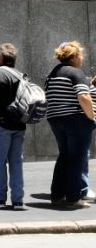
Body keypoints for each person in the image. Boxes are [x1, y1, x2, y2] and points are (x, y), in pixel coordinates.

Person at [45, 41, 95, 208]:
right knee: (77, 159)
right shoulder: (76, 72)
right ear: (73, 57)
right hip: (76, 120)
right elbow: (83, 97)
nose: (82, 58)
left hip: (55, 119)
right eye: (80, 55)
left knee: (64, 157)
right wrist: (92, 117)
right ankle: (73, 198)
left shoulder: (52, 74)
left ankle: (57, 195)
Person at [0, 43, 27, 210]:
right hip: (19, 124)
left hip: (0, 124)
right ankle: (18, 200)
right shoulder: (21, 75)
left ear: (0, 58)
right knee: (16, 163)